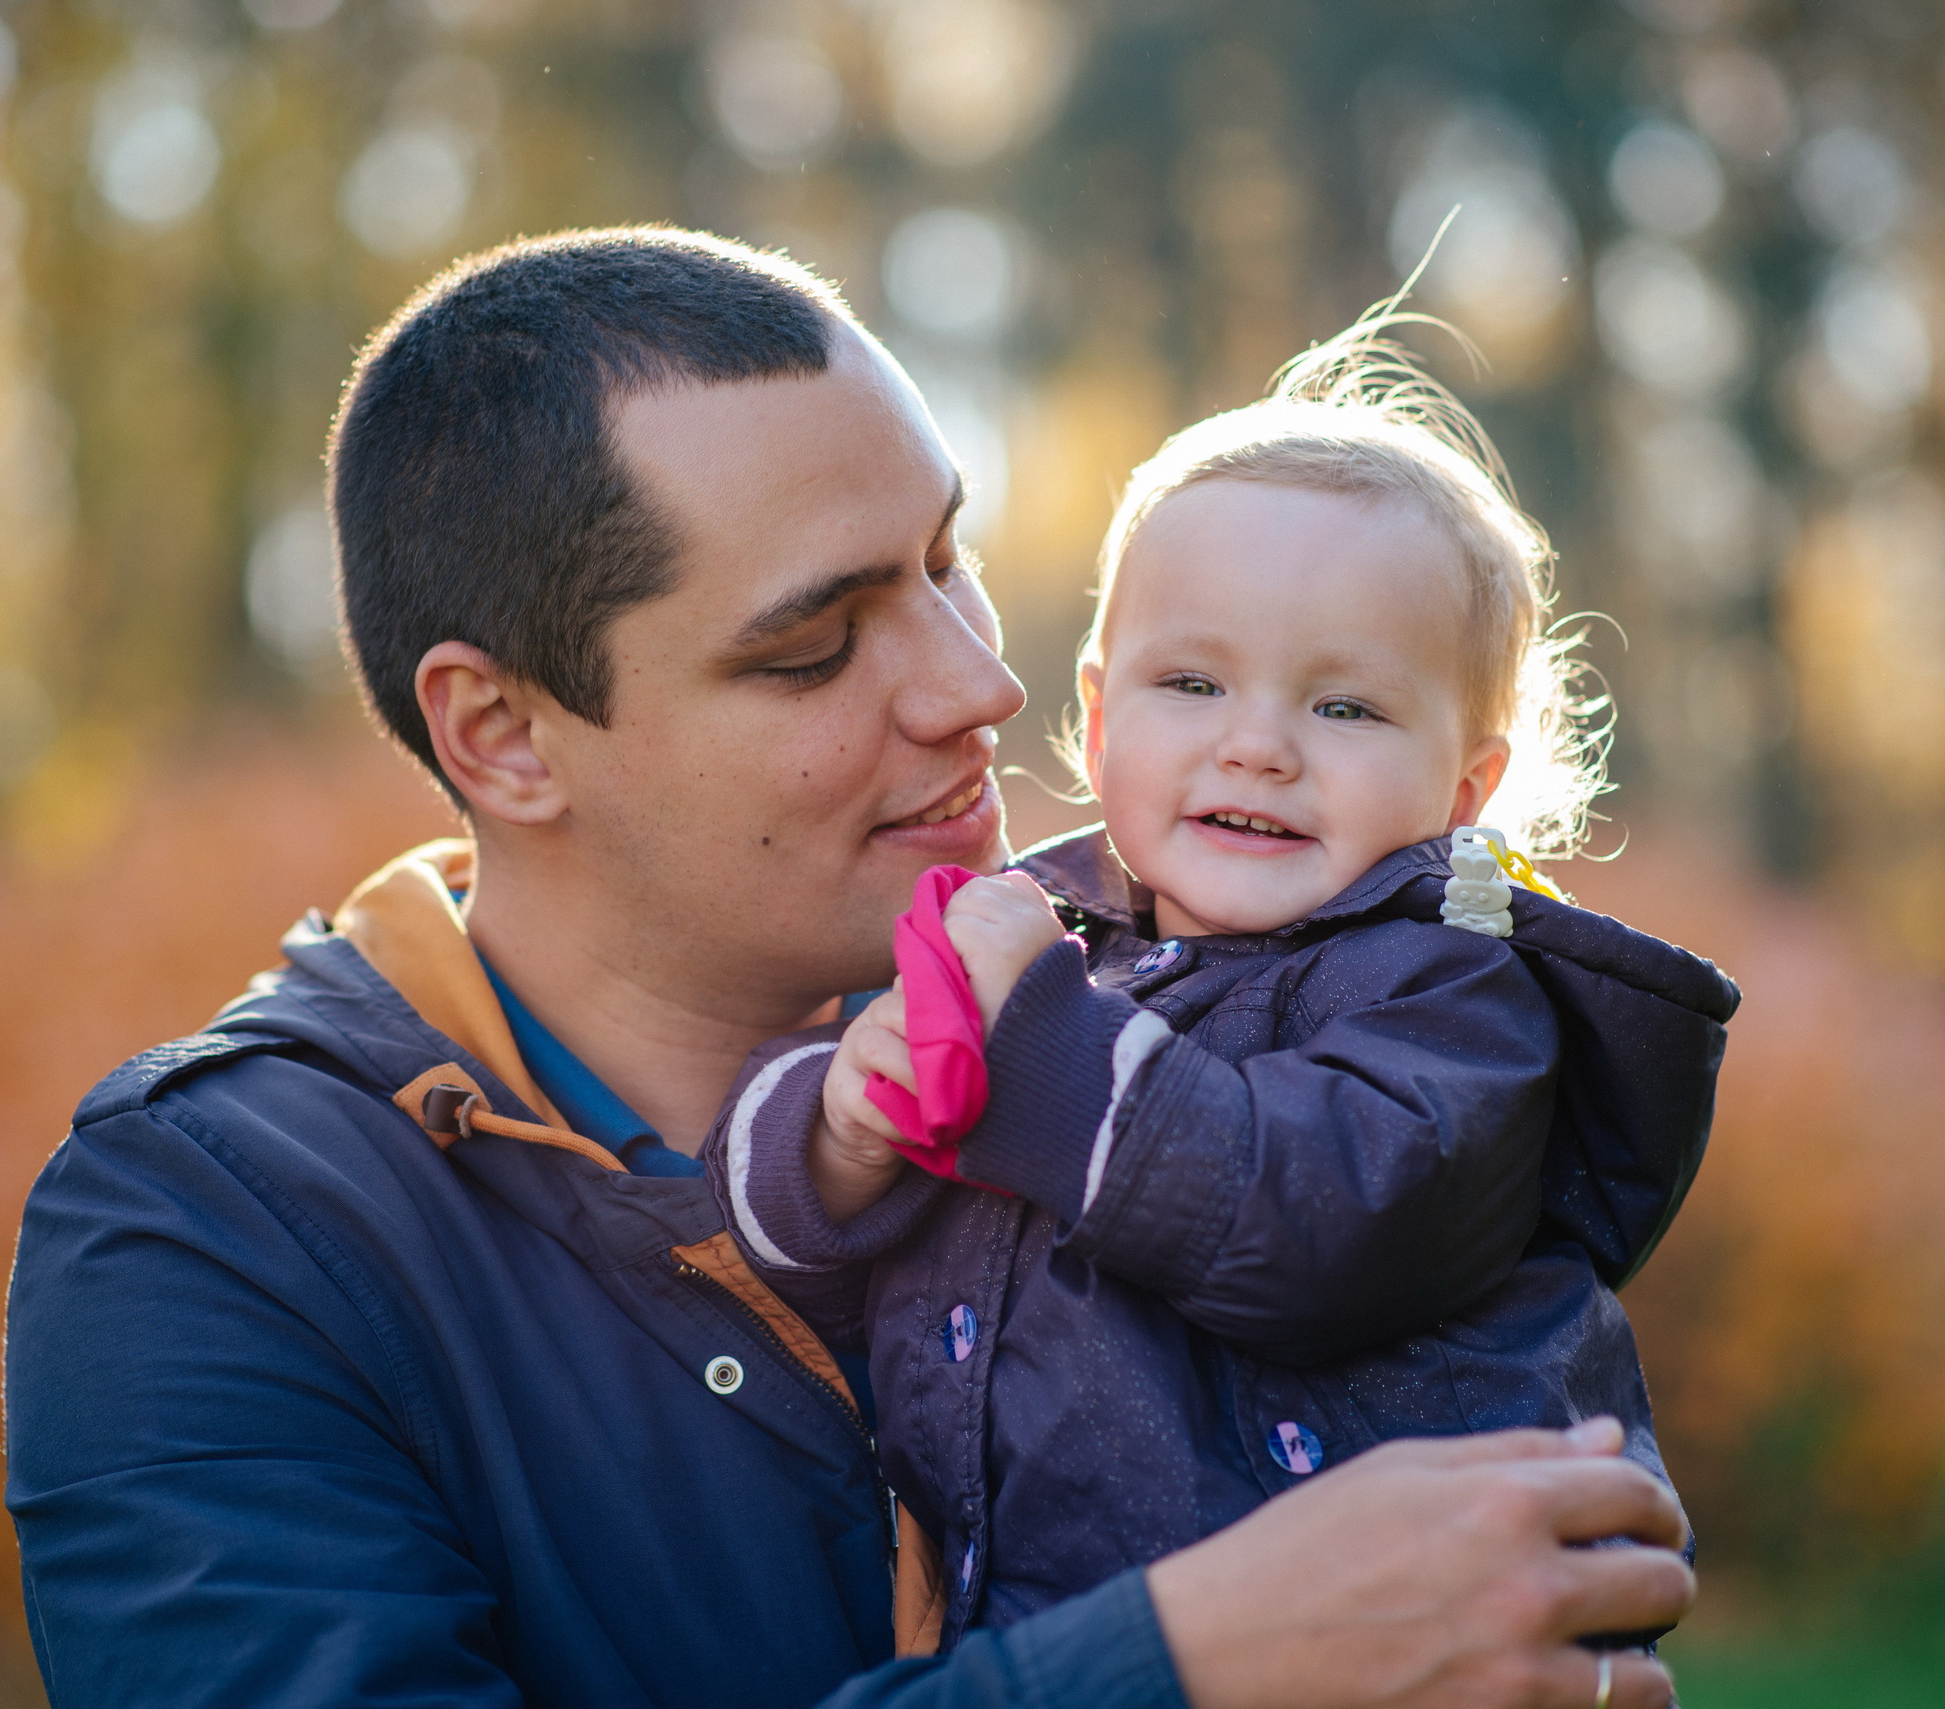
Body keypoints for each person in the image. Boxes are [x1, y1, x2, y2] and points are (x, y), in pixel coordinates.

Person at [2, 228, 1694, 1709]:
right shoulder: (210, 1233)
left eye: (951, 563)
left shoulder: (1150, 1000)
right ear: (504, 735)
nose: (978, 686)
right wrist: (1183, 1665)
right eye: (816, 646)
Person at [708, 313, 1739, 1653]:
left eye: (1346, 707)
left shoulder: (1456, 1000)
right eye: (1192, 681)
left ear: (1466, 784)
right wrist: (840, 1132)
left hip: (1398, 1658)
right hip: (1070, 1647)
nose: (1257, 745)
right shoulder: (1051, 945)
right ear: (1095, 710)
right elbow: (788, 1260)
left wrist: (1034, 1044)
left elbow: (1311, 1216)